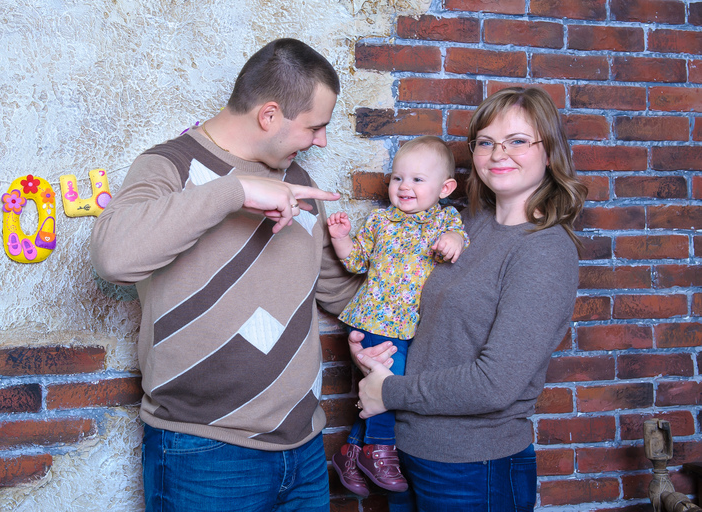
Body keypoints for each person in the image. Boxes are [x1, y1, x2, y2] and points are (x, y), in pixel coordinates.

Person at [89, 38, 367, 512]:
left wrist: (391, 312)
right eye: (315, 127)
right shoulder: (169, 165)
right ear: (269, 115)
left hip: (304, 451)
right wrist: (233, 191)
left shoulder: (300, 183)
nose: (321, 141)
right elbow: (113, 258)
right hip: (204, 455)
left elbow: (336, 291)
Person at [350, 86, 587, 511]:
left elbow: (494, 384)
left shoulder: (544, 250)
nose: (498, 154)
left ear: (550, 152)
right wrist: (374, 347)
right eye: (486, 142)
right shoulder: (465, 226)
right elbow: (407, 306)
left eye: (517, 141)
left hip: (475, 466)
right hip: (408, 453)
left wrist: (390, 391)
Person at [327, 136, 469, 497]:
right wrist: (342, 238)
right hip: (375, 316)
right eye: (397, 178)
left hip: (409, 324)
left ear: (445, 188)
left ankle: (351, 452)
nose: (404, 186)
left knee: (389, 382)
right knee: (388, 385)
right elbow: (357, 262)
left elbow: (460, 239)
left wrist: (453, 240)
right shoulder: (380, 220)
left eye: (417, 179)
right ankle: (380, 449)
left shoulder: (446, 220)